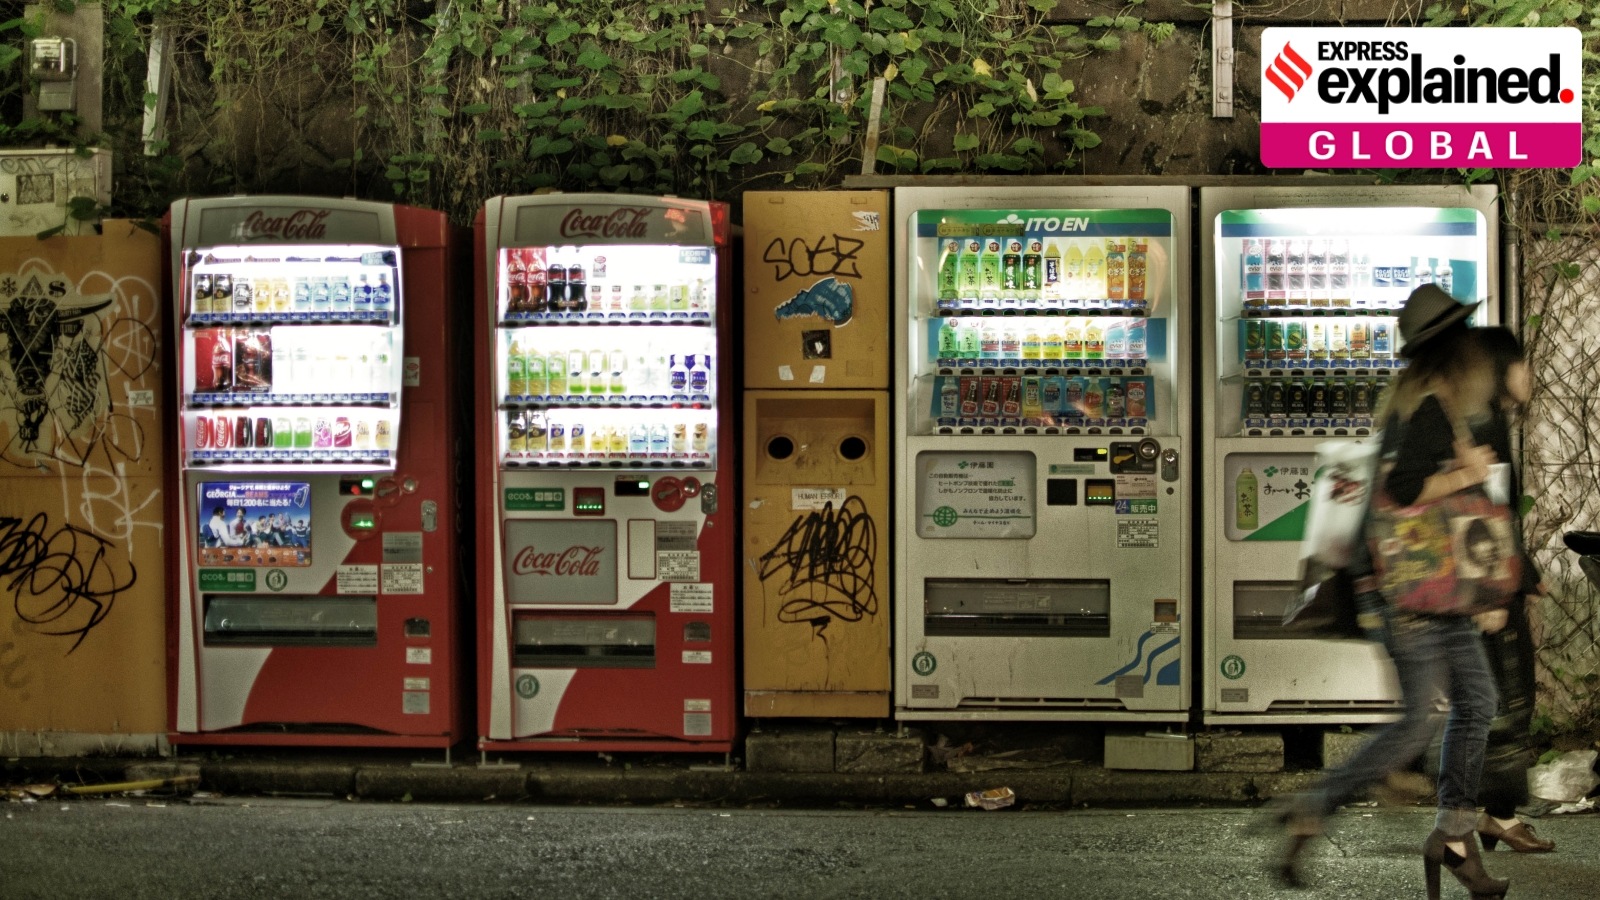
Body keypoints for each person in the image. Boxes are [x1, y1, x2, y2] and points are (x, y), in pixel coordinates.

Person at [1276, 284, 1513, 900]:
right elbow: (1406, 492)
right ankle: (1317, 808)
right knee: (1418, 723)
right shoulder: (1433, 407)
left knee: (1475, 702)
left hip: (1424, 589)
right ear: (1456, 353)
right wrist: (1467, 473)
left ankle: (1454, 837)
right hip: (1413, 590)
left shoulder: (1421, 403)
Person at [1467, 325, 1554, 855]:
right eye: (1522, 364)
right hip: (1488, 586)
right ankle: (1493, 815)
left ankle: (1486, 814)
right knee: (1506, 700)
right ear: (1503, 370)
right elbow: (1486, 512)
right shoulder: (1486, 423)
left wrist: (1524, 572)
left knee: (1492, 699)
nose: (1530, 374)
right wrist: (1498, 591)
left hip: (1495, 578)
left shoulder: (1485, 418)